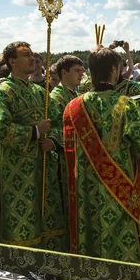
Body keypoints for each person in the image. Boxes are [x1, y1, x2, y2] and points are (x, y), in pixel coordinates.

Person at [63, 48, 140, 266]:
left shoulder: (72, 107)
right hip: (123, 186)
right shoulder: (126, 105)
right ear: (113, 69)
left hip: (86, 187)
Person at [0, 41, 65, 251]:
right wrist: (35, 131)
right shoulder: (3, 92)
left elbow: (59, 122)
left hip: (44, 171)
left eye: (32, 55)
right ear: (12, 61)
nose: (32, 59)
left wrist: (53, 141)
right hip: (16, 175)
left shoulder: (41, 93)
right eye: (25, 55)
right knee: (21, 227)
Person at [50, 55, 85, 218]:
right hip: (64, 161)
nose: (81, 75)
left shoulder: (74, 95)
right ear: (64, 72)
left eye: (82, 71)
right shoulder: (56, 97)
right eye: (77, 71)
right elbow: (54, 129)